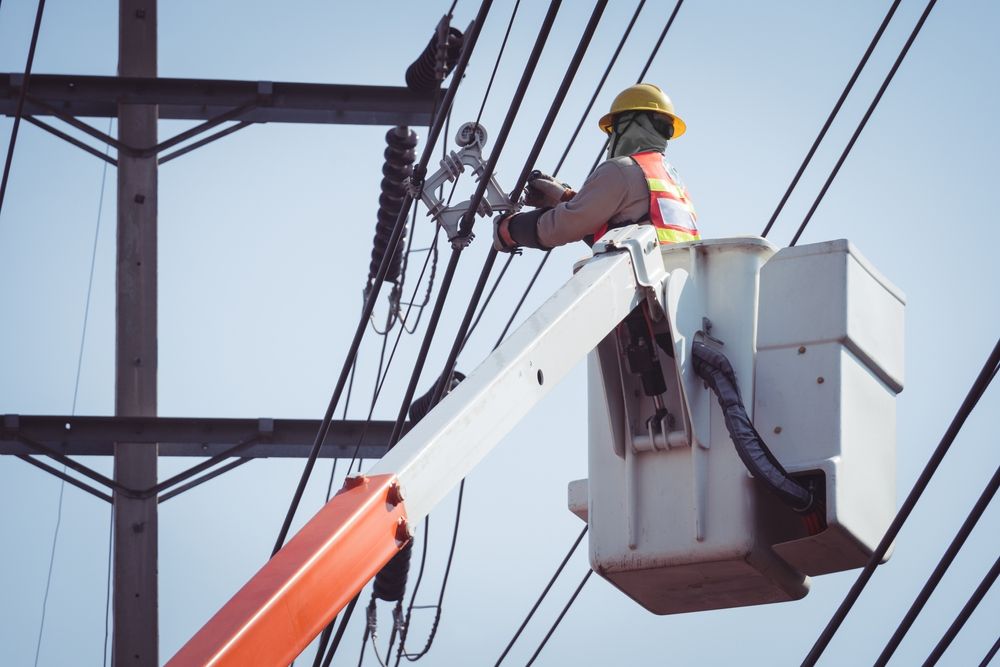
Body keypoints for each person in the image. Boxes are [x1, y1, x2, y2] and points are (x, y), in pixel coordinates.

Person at [493, 83, 700, 253]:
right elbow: (619, 232)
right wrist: (566, 198)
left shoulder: (622, 169)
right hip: (675, 290)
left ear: (630, 124)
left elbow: (564, 226)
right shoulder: (674, 184)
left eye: (613, 128)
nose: (610, 138)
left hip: (641, 293)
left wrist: (509, 229)